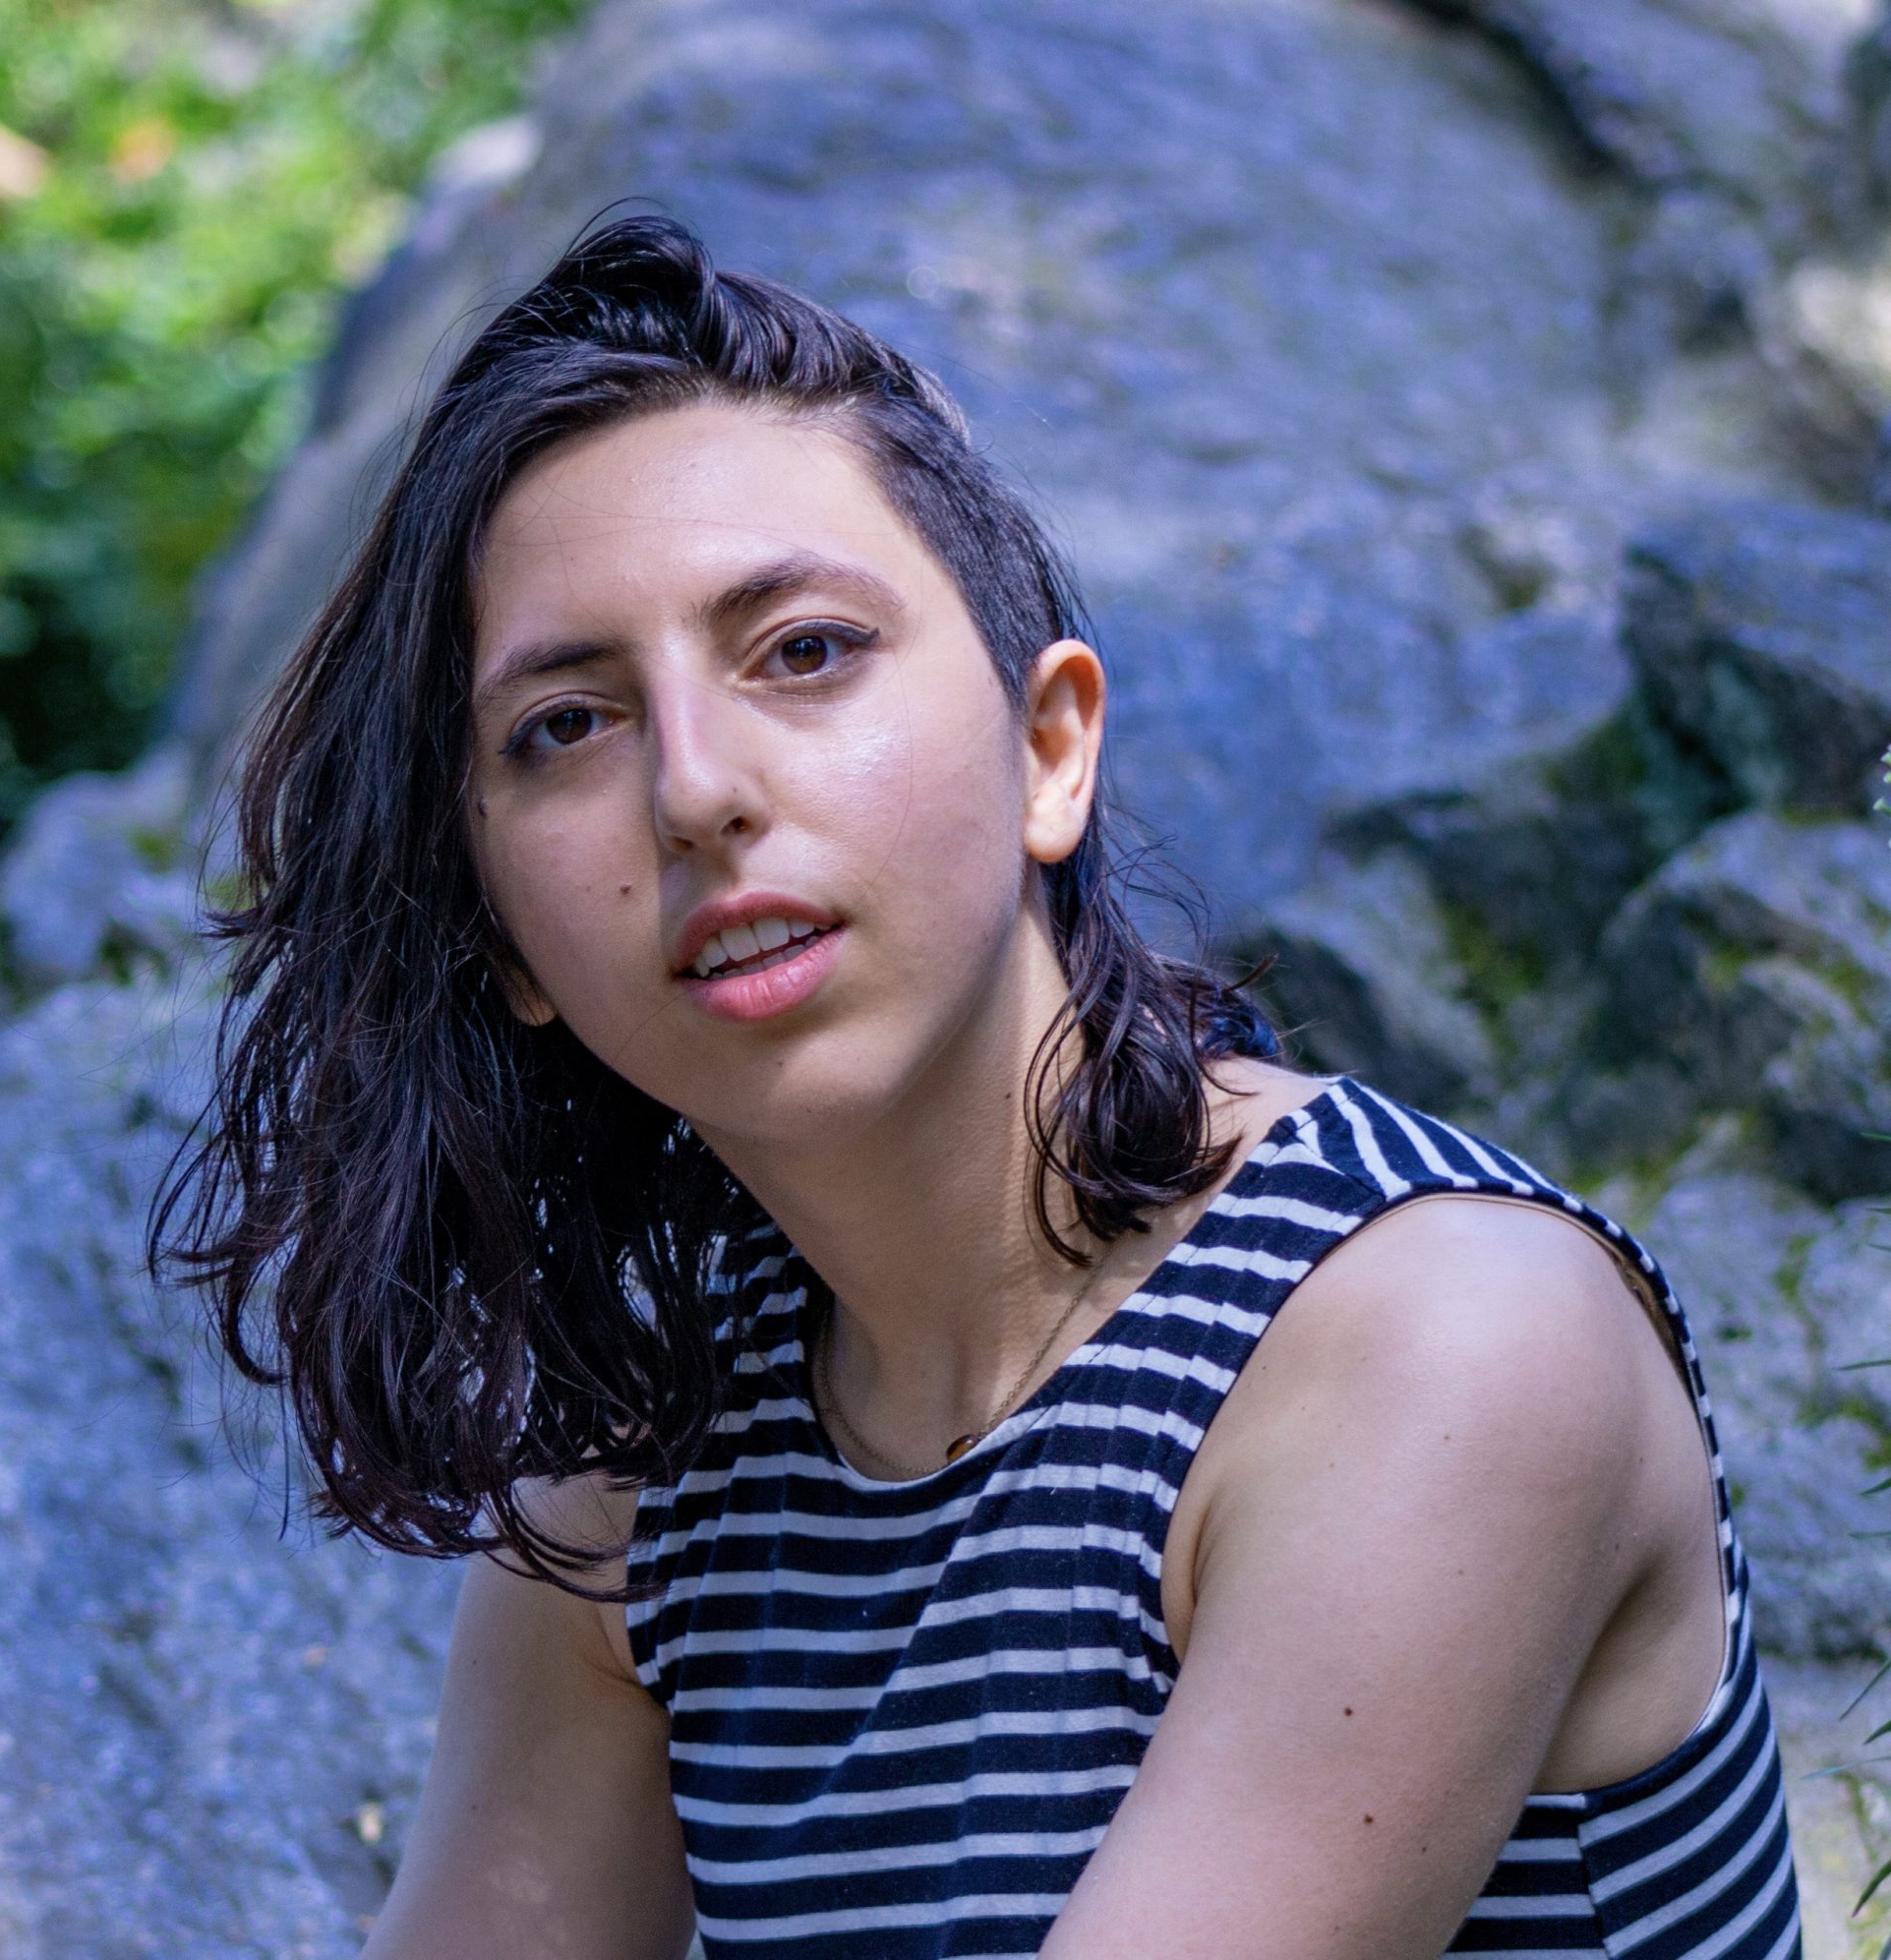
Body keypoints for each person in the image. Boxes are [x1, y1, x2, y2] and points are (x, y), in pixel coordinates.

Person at [152, 210, 1803, 1959]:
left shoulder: (1438, 1339)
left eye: (802, 649)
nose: (696, 792)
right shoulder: (655, 1481)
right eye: (567, 723)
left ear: (1049, 748)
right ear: (504, 945)